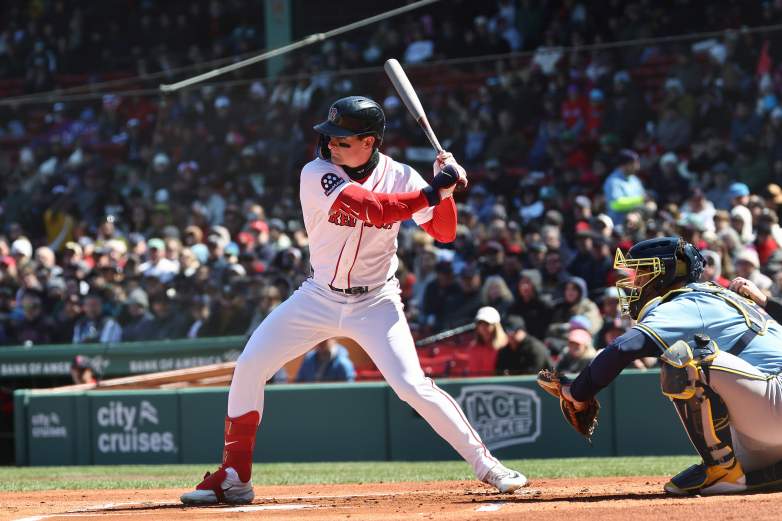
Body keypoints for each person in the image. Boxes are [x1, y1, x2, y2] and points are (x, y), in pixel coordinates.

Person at [180, 96, 526, 505]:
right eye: (330, 137)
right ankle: (235, 477)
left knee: (412, 385)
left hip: (376, 301)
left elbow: (444, 232)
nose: (331, 145)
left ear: (370, 141)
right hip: (318, 295)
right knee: (250, 366)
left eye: (342, 140)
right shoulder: (317, 172)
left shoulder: (402, 176)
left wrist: (444, 190)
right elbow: (372, 210)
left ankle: (489, 466)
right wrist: (434, 191)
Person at [557, 236, 782, 496]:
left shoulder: (685, 301)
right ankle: (750, 473)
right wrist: (766, 301)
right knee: (695, 356)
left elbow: (623, 348)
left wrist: (577, 392)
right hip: (768, 412)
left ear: (666, 273)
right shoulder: (717, 295)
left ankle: (721, 469)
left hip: (773, 404)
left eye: (643, 274)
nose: (635, 283)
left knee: (685, 358)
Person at [603, 149, 645, 228]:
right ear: (625, 165)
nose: (637, 166)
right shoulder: (613, 181)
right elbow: (615, 204)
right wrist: (640, 200)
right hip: (618, 227)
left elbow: (644, 197)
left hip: (635, 226)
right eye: (634, 163)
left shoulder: (635, 180)